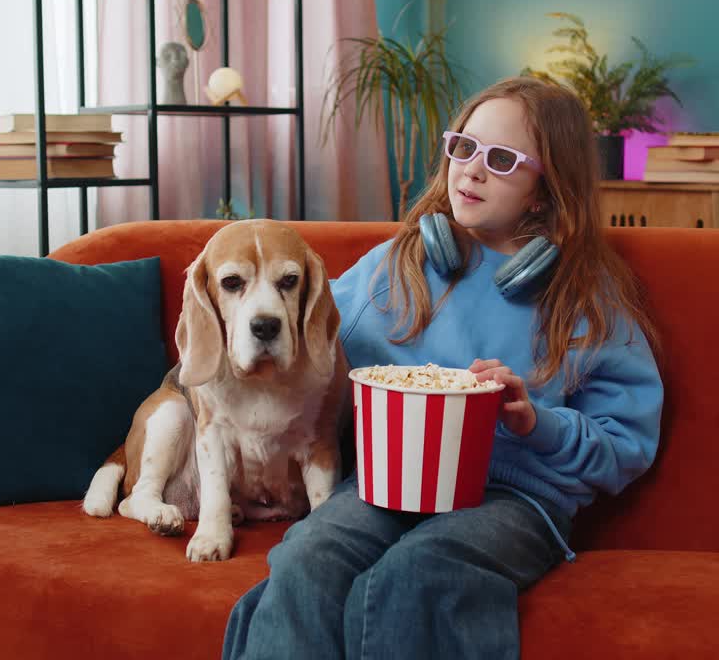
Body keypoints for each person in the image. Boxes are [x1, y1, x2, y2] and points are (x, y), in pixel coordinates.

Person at [222, 76, 664, 660]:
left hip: (517, 500)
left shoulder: (587, 298)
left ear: (545, 189)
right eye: (464, 147)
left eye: (502, 159)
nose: (472, 170)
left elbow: (625, 444)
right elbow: (302, 345)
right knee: (308, 555)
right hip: (387, 486)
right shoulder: (395, 265)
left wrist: (537, 422)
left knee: (418, 572)